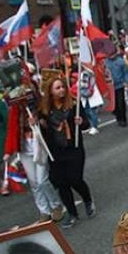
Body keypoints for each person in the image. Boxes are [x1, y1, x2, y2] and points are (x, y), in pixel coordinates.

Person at [38, 74, 95, 228]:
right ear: (50, 91)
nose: (62, 90)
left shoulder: (74, 104)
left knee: (75, 179)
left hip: (73, 148)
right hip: (56, 151)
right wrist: (36, 124)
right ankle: (72, 213)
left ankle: (87, 199)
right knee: (62, 183)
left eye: (63, 87)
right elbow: (42, 132)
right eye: (58, 88)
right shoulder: (44, 109)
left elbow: (86, 124)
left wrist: (81, 122)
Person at [105, 47, 128, 127]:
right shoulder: (106, 63)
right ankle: (118, 117)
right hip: (110, 86)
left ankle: (123, 119)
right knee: (115, 104)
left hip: (119, 85)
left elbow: (126, 72)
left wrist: (127, 81)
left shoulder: (121, 61)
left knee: (121, 102)